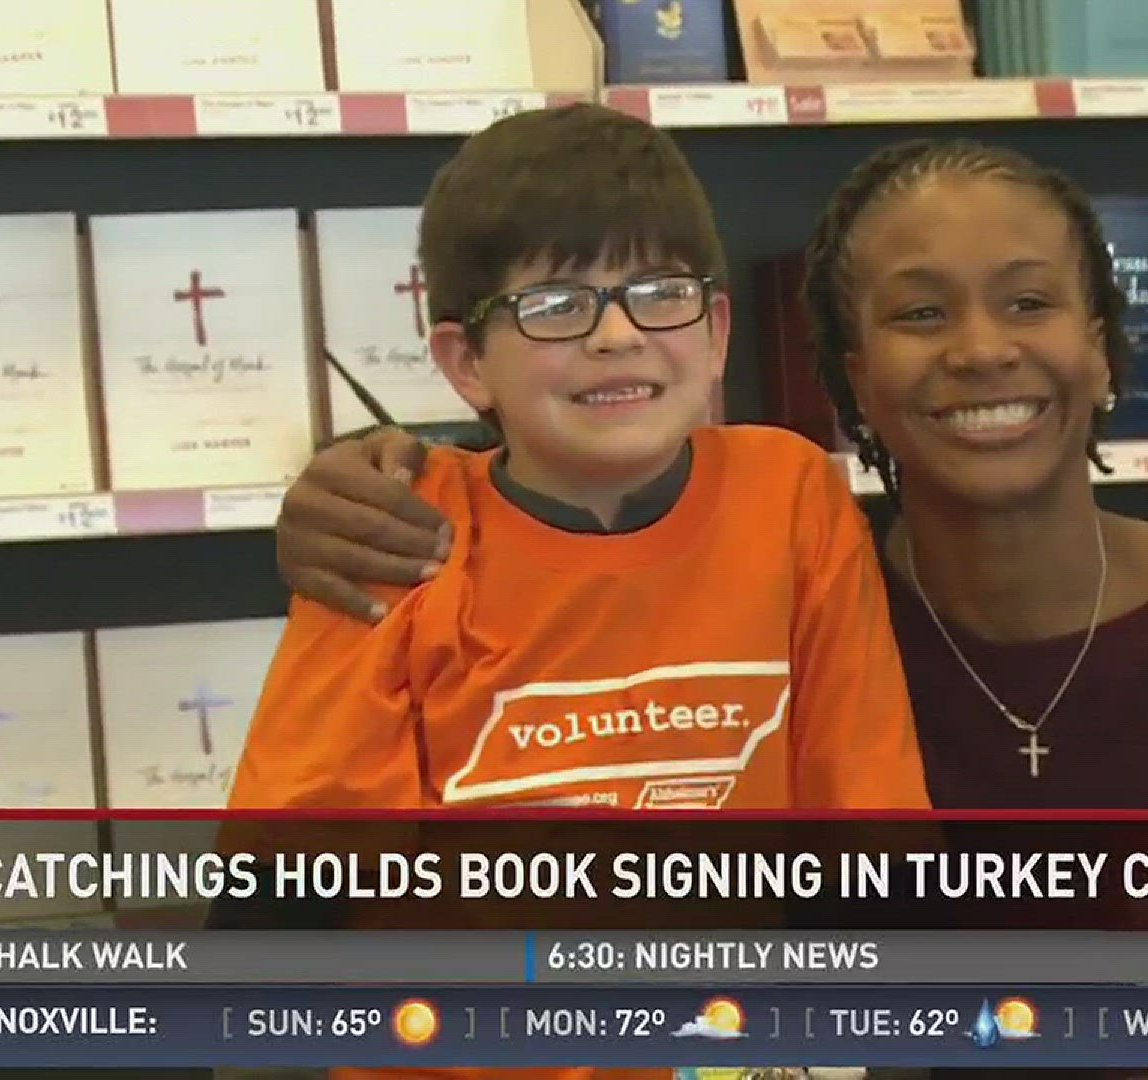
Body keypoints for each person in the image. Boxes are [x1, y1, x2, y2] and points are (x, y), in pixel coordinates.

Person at [271, 136, 1148, 815]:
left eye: (1031, 301)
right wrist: (376, 492)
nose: (983, 349)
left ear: (1102, 341)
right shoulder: (796, 586)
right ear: (849, 377)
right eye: (921, 313)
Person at [226, 104, 930, 1080]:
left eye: (659, 293)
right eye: (557, 304)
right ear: (466, 362)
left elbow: (869, 849)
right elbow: (284, 903)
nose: (617, 336)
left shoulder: (792, 497)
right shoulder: (396, 531)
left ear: (717, 331)